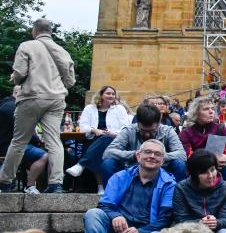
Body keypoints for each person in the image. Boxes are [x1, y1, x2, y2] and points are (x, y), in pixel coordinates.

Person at [0, 19, 75, 194]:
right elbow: (70, 81)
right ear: (50, 31)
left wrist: (15, 79)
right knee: (54, 142)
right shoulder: (62, 51)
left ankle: (5, 181)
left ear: (35, 31)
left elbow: (20, 73)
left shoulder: (27, 46)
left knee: (19, 141)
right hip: (56, 98)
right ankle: (56, 183)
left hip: (31, 97)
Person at [66, 85, 132, 193]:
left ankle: (81, 165)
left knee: (105, 139)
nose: (111, 96)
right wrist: (93, 130)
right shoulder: (89, 108)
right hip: (94, 139)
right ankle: (100, 187)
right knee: (99, 150)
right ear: (101, 95)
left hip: (114, 140)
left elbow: (126, 127)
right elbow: (83, 126)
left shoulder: (119, 109)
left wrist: (113, 133)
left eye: (113, 94)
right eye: (108, 93)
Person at [103, 104, 188, 182]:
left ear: (159, 123)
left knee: (179, 164)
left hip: (161, 168)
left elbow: (182, 155)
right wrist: (133, 154)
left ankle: (174, 196)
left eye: (152, 131)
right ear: (138, 122)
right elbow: (108, 152)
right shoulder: (128, 130)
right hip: (132, 168)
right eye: (143, 130)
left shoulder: (168, 131)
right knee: (108, 163)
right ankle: (112, 196)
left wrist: (157, 156)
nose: (147, 134)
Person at [0, 86, 51, 195]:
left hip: (8, 145)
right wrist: (38, 140)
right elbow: (25, 130)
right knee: (44, 155)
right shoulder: (14, 107)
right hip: (10, 147)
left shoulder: (6, 105)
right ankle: (30, 185)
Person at [179, 97, 226, 184]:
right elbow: (188, 156)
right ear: (196, 113)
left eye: (213, 108)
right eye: (206, 109)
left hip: (218, 168)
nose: (211, 112)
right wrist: (210, 161)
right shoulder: (186, 133)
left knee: (224, 167)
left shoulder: (222, 129)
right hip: (197, 168)